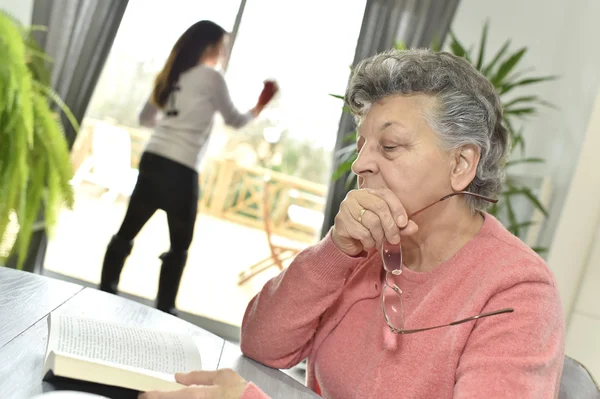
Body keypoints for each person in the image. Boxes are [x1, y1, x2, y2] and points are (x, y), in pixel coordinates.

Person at [140, 48, 565, 398]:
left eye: (390, 146)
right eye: (361, 145)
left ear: (461, 164)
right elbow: (262, 346)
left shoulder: (518, 290)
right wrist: (335, 250)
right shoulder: (365, 247)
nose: (361, 164)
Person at [99, 20, 277, 316]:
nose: (223, 52)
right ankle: (165, 309)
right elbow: (234, 120)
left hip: (154, 158)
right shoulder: (211, 77)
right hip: (181, 169)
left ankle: (105, 291)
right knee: (179, 246)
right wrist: (260, 105)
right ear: (210, 47)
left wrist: (174, 124)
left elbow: (145, 118)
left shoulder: (171, 74)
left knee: (127, 231)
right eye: (222, 46)